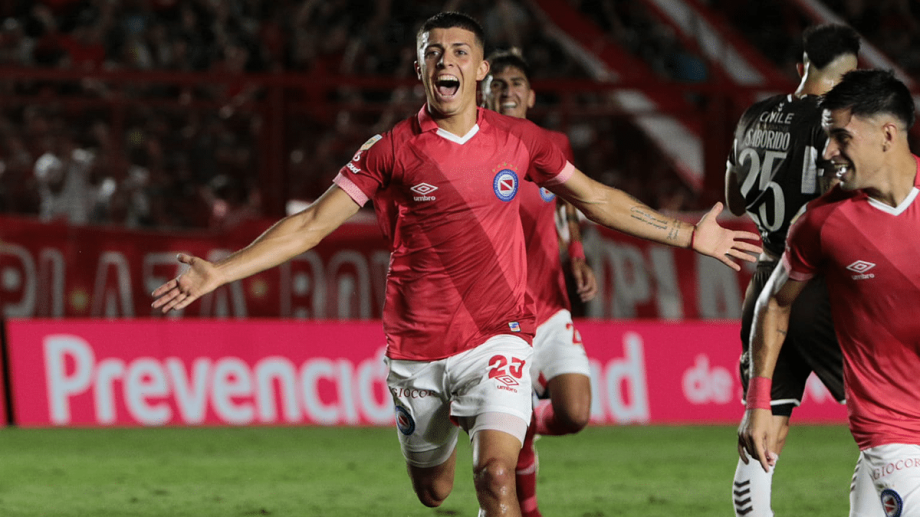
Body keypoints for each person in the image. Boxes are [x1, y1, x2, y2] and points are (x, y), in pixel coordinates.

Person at [153, 12, 761, 516]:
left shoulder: (522, 141)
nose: (446, 61)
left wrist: (688, 235)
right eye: (434, 52)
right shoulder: (389, 150)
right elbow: (312, 223)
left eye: (460, 52)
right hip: (416, 347)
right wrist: (220, 270)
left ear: (481, 69)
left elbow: (596, 200)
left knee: (495, 477)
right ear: (419, 68)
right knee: (433, 491)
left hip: (499, 336)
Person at [738, 69, 920, 517]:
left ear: (887, 135)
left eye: (841, 137)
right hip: (890, 424)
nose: (827, 152)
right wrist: (758, 402)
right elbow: (774, 303)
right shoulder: (822, 222)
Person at [724, 24, 860, 517]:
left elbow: (734, 200)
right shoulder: (836, 123)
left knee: (766, 426)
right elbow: (836, 201)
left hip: (765, 283)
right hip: (819, 287)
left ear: (802, 67)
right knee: (889, 417)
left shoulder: (753, 116)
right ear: (851, 76)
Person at [482, 48, 597, 517]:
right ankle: (529, 510)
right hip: (497, 320)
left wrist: (577, 255)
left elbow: (568, 201)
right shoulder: (473, 149)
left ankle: (527, 420)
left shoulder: (553, 143)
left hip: (549, 306)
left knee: (575, 412)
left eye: (516, 84)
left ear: (531, 96)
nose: (507, 91)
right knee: (496, 454)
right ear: (483, 94)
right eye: (497, 84)